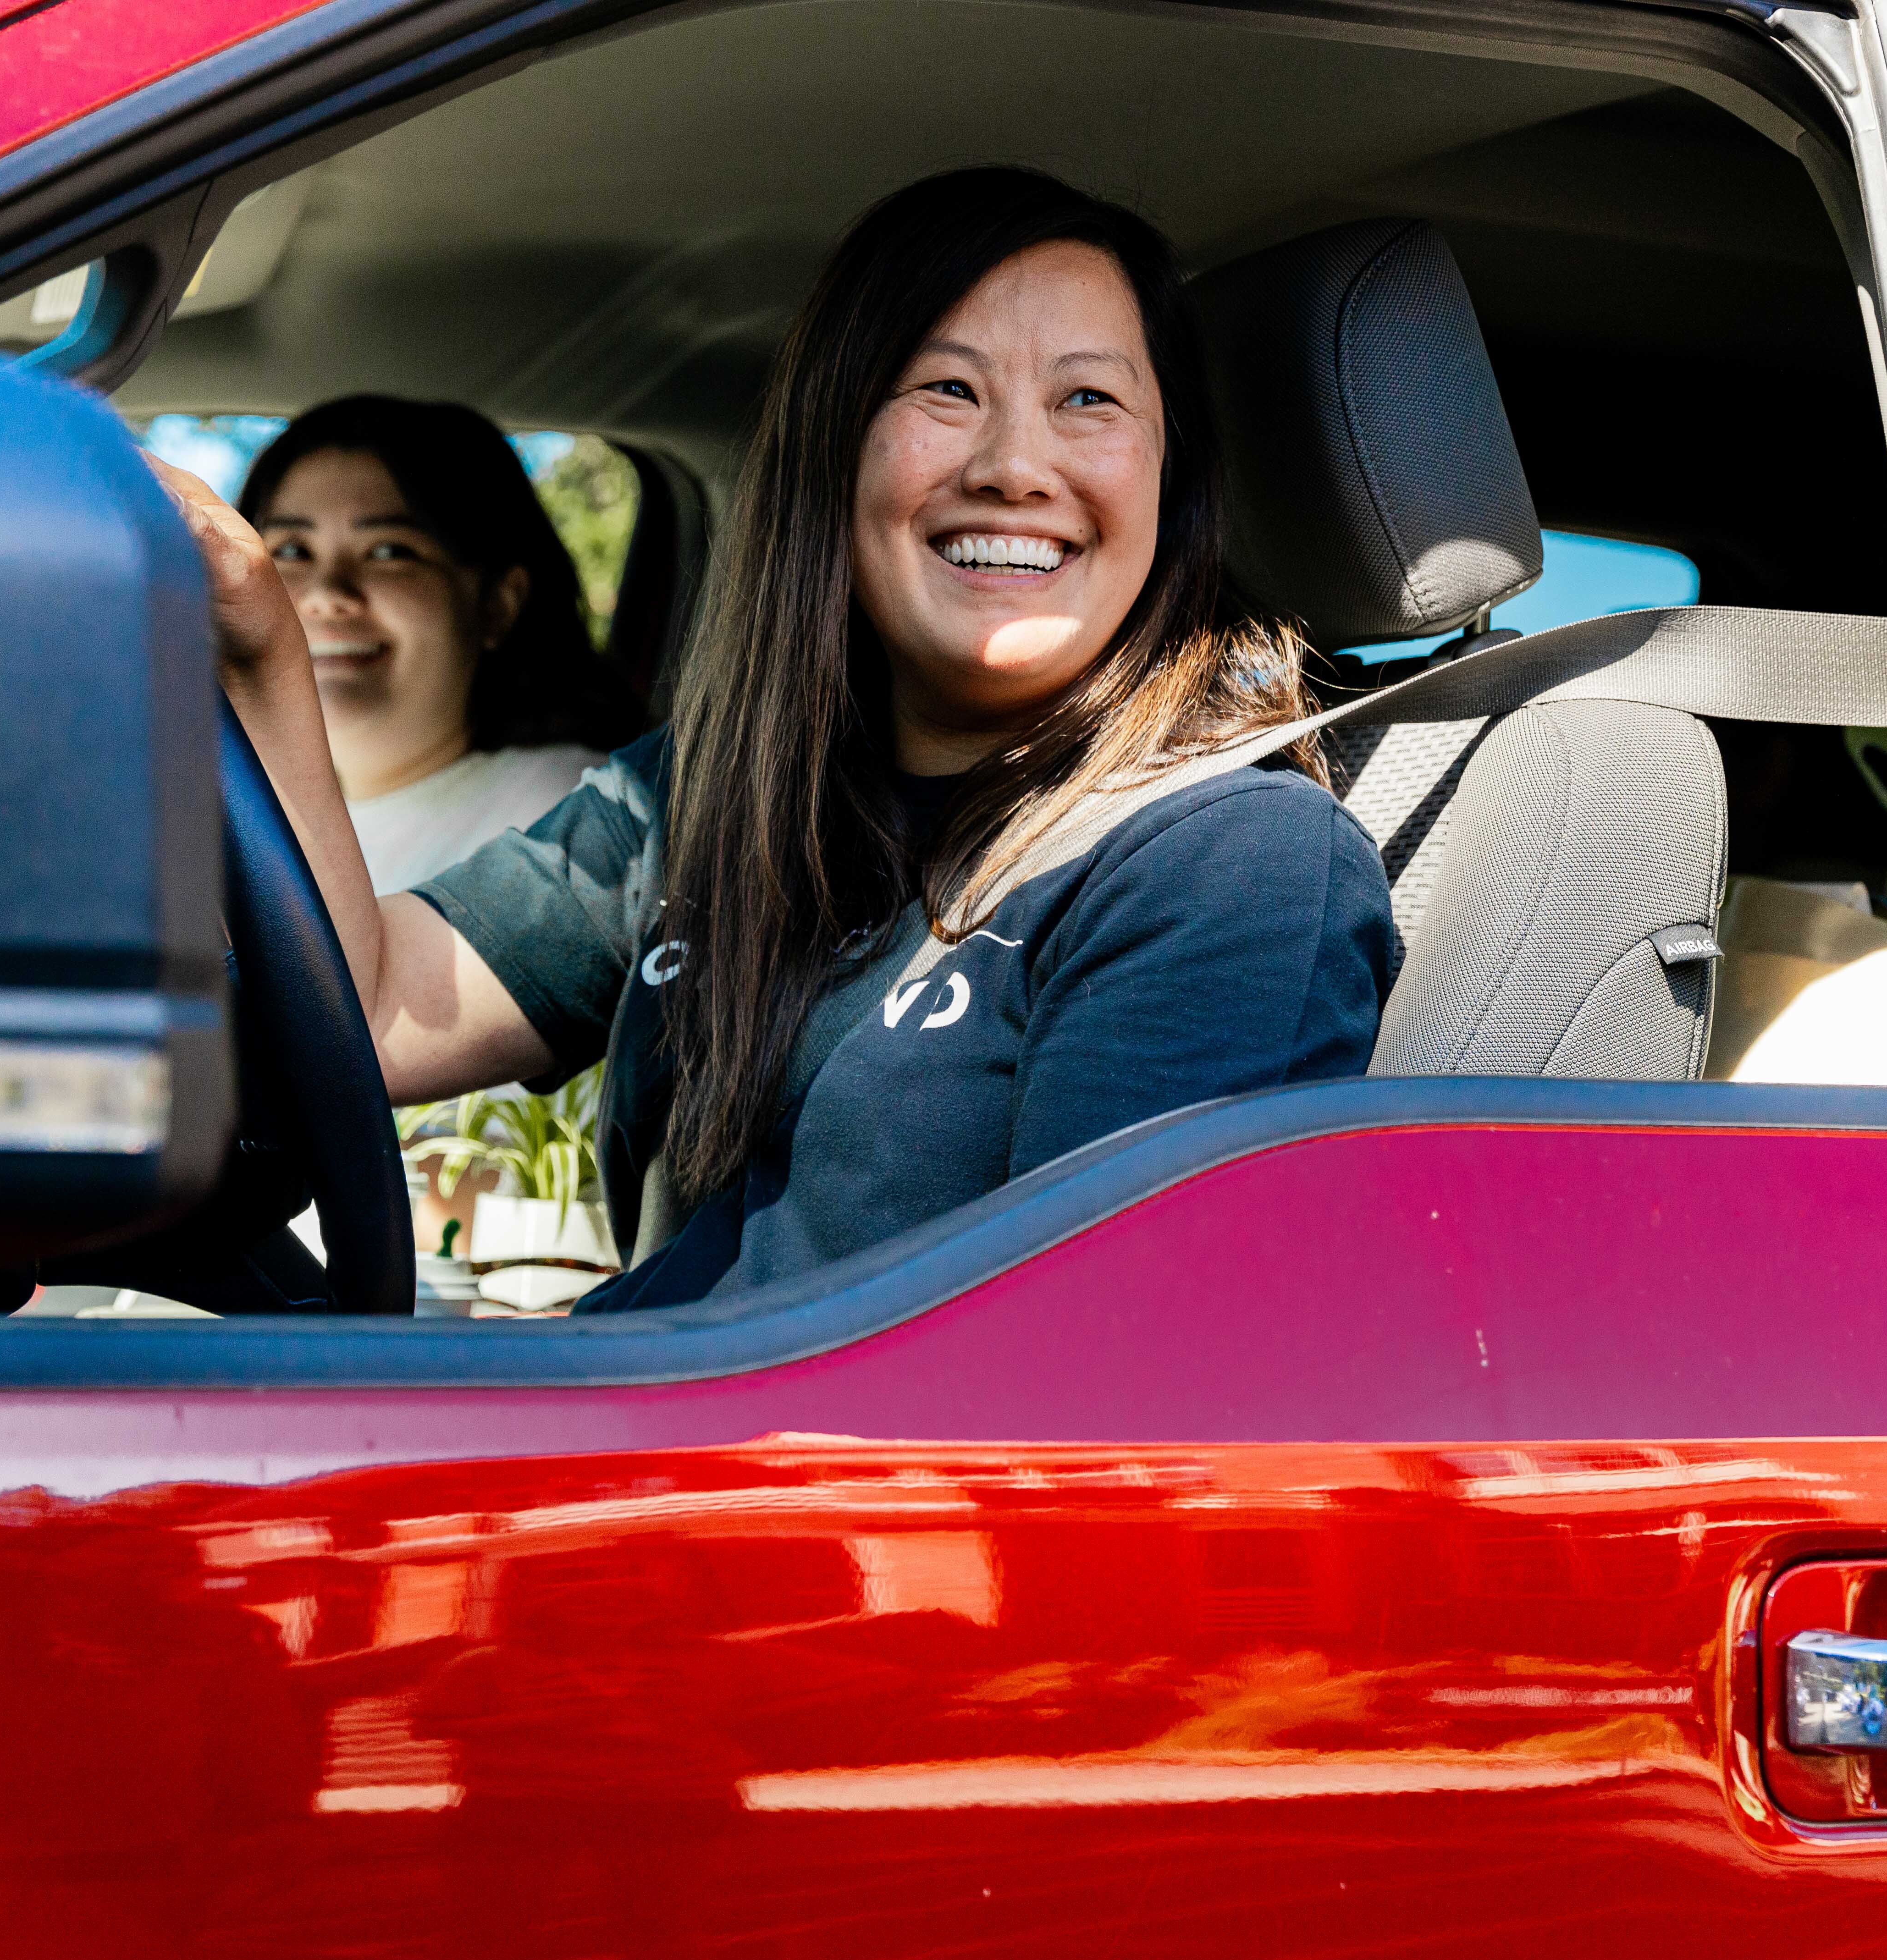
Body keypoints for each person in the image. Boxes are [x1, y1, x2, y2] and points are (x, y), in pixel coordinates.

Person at [151, 167, 1396, 1312]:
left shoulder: (1226, 865)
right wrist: (258, 635)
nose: (1019, 464)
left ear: (1169, 482)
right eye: (949, 390)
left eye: (1089, 400)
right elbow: (368, 1009)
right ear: (833, 453)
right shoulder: (716, 795)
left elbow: (1081, 1424)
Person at [237, 398, 642, 892]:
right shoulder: (242, 822)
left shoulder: (570, 822)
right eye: (293, 551)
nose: (327, 595)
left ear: (496, 603)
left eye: (389, 552)